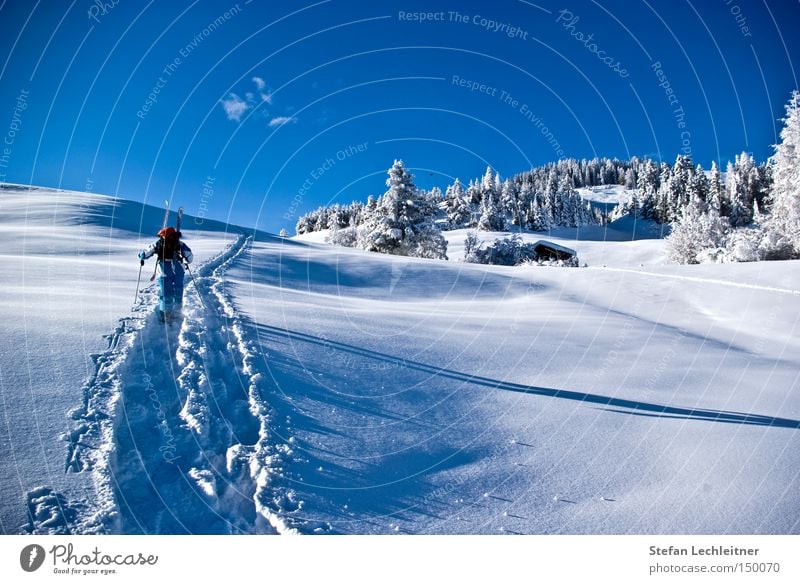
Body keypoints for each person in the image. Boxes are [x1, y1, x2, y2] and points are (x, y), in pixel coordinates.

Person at [138, 227, 193, 323]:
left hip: (163, 270)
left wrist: (141, 256)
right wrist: (187, 261)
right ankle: (177, 312)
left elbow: (145, 253)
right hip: (178, 269)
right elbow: (189, 256)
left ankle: (165, 314)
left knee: (165, 293)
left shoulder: (157, 244)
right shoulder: (180, 244)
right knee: (178, 290)